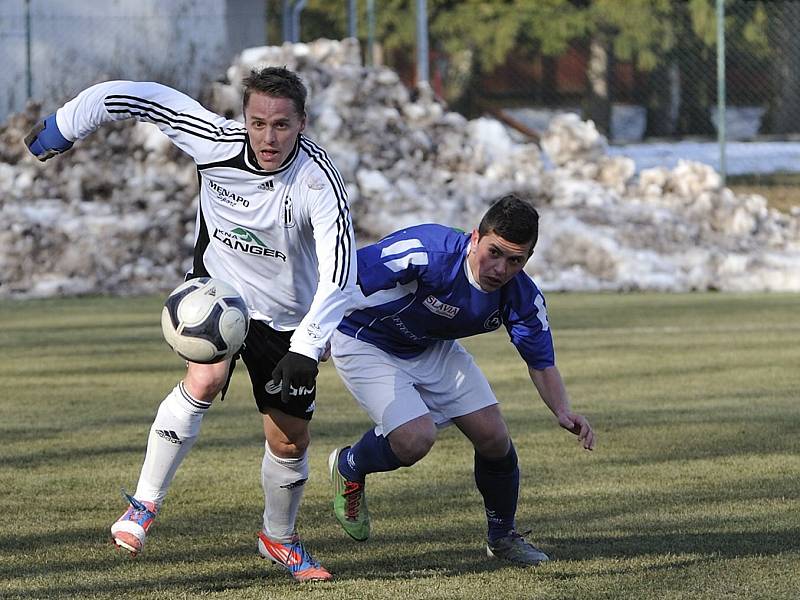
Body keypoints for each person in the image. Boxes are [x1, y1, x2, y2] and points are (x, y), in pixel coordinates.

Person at [24, 67, 357, 582]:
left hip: (287, 317)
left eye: (282, 125)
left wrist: (309, 345)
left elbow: (340, 270)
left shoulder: (316, 180)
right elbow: (134, 94)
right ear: (243, 117)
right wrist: (66, 125)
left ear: (302, 123)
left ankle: (279, 538)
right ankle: (142, 506)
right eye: (258, 122)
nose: (268, 137)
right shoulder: (213, 141)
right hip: (216, 296)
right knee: (203, 378)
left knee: (290, 440)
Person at [326, 194, 594, 567]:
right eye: (494, 252)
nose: (500, 268)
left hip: (431, 347)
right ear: (474, 238)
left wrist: (563, 410)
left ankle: (502, 538)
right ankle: (350, 465)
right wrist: (314, 334)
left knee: (494, 438)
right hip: (364, 339)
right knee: (415, 439)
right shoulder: (426, 252)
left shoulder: (521, 297)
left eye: (515, 260)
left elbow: (541, 361)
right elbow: (343, 275)